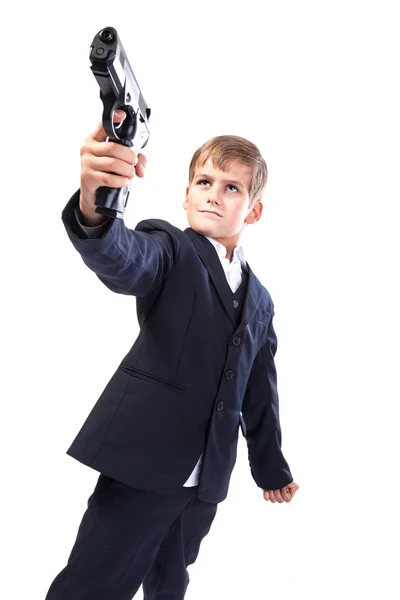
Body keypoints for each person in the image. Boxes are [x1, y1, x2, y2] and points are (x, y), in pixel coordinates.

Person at [45, 109, 299, 600]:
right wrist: (98, 205)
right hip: (145, 460)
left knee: (170, 582)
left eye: (231, 187)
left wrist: (270, 467)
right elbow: (125, 258)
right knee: (95, 582)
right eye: (204, 180)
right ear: (185, 195)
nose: (213, 193)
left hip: (206, 477)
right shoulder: (170, 250)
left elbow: (259, 391)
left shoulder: (261, 301)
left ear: (253, 211)